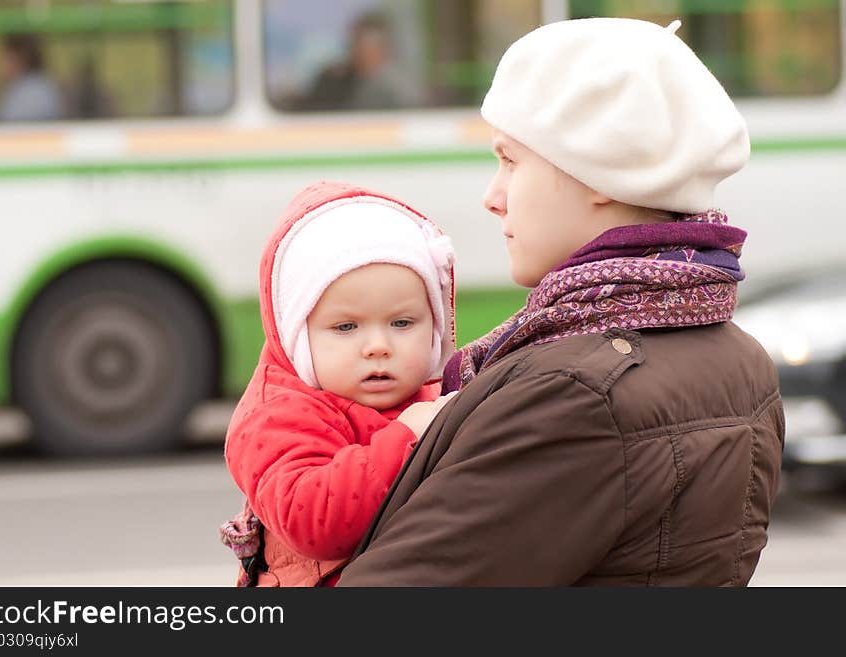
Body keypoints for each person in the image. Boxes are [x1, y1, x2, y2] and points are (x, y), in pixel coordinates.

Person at [337, 17, 785, 586]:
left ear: (598, 170)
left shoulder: (575, 391)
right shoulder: (738, 355)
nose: (492, 197)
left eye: (510, 161)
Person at [220, 181, 456, 586]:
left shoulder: (435, 399)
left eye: (402, 323)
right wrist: (406, 437)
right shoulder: (278, 415)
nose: (379, 347)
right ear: (296, 333)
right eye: (346, 327)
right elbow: (312, 518)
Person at [301, 13, 415, 110]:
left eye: (364, 44)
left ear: (383, 49)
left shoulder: (398, 89)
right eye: (354, 43)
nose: (354, 50)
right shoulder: (335, 80)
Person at [0, 33, 66, 122]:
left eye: (5, 58)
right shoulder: (18, 86)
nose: (0, 64)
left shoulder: (36, 90)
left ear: (19, 58)